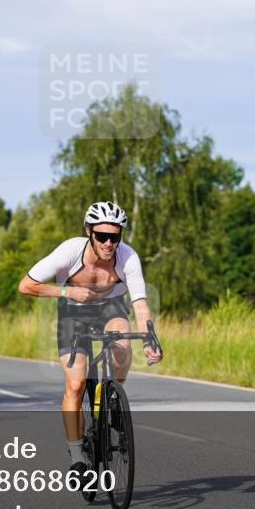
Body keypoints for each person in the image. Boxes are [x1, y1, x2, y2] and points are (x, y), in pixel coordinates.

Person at [18, 201, 162, 476]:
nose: (109, 243)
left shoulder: (127, 257)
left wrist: (148, 340)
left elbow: (140, 304)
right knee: (76, 383)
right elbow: (25, 285)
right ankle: (77, 457)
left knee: (123, 342)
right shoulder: (69, 252)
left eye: (115, 236)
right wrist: (66, 292)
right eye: (102, 236)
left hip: (110, 308)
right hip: (72, 312)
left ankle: (113, 398)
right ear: (89, 232)